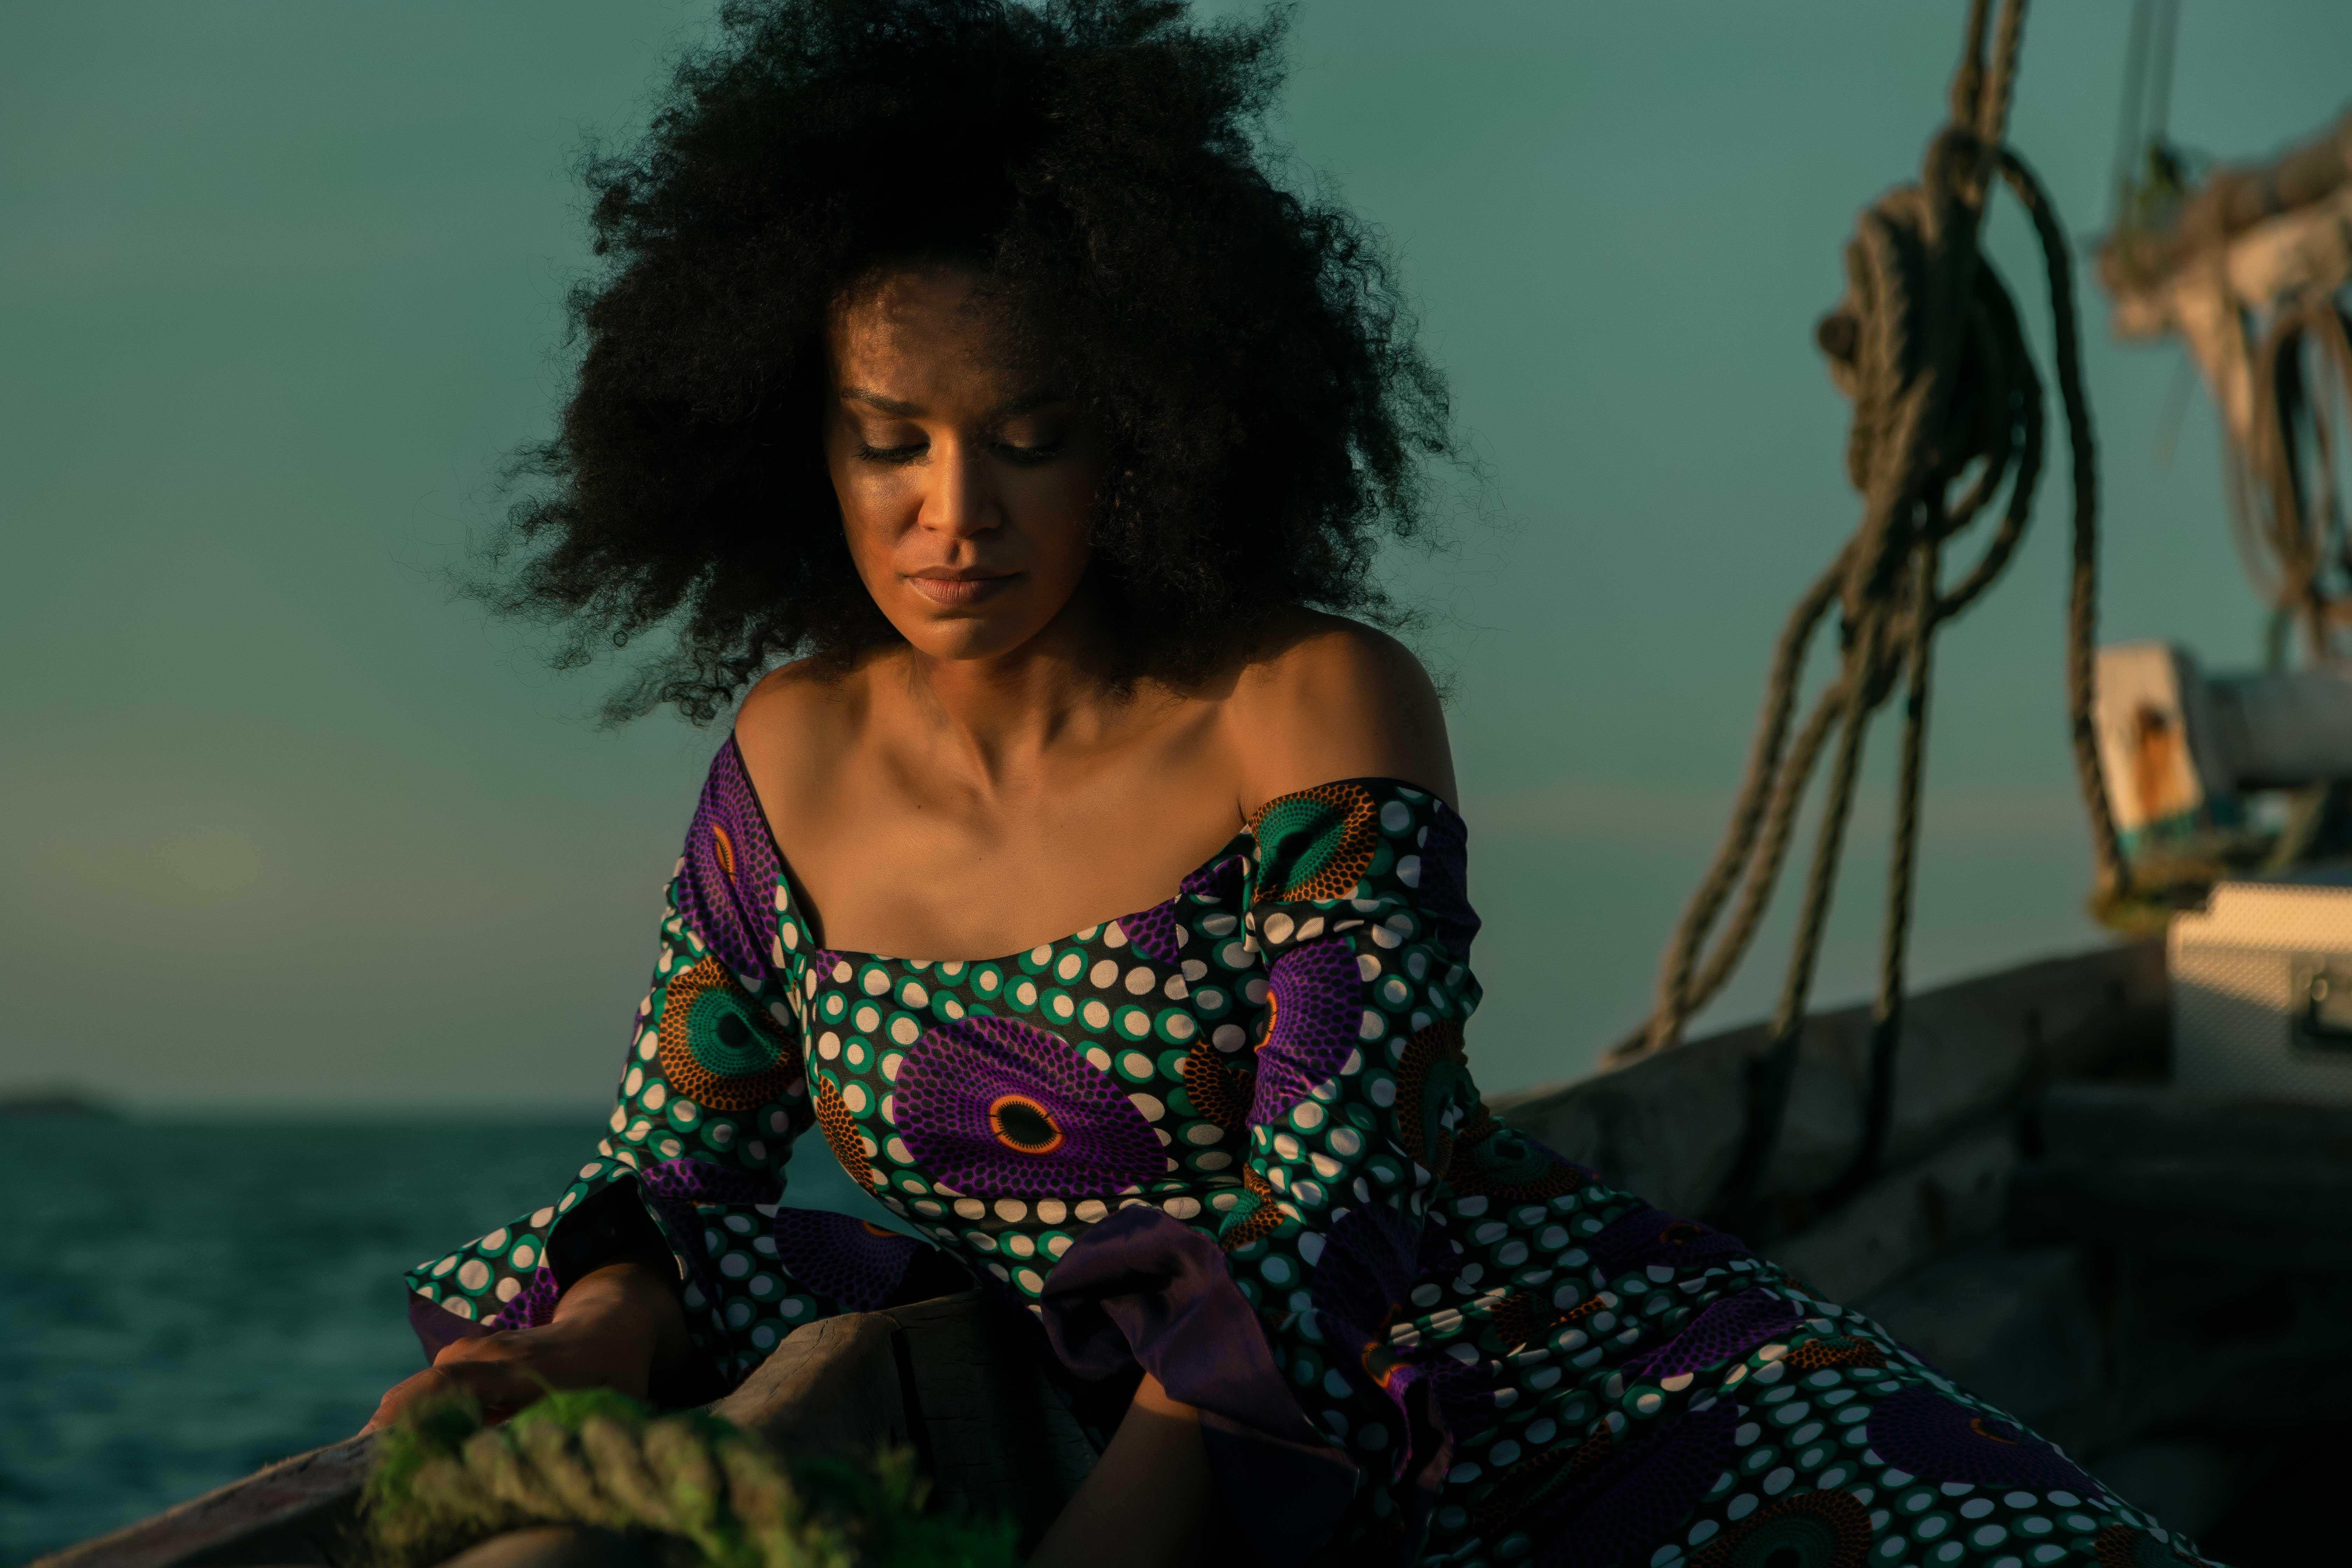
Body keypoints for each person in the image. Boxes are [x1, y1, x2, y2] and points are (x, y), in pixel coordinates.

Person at [366, 4, 2209, 1566]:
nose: (953, 514)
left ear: (1159, 429)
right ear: (792, 436)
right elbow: (671, 1170)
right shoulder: (783, 766)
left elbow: (1330, 1237)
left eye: (1030, 438)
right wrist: (580, 1347)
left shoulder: (1310, 708)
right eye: (888, 444)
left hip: (1594, 1408)